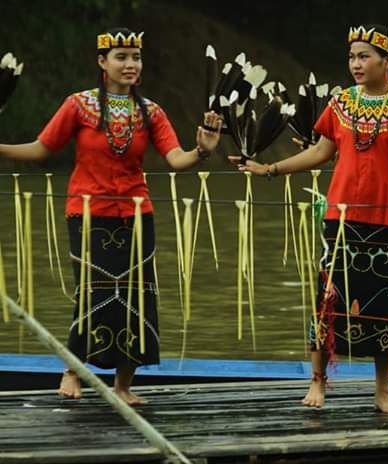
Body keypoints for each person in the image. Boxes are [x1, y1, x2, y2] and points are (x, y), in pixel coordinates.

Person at [0, 28, 223, 404]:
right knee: (92, 292)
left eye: (135, 58)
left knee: (137, 298)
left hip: (137, 215)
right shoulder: (77, 105)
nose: (131, 64)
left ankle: (123, 385)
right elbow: (42, 149)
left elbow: (175, 160)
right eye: (121, 57)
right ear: (102, 62)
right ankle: (73, 371)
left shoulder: (151, 112)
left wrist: (202, 151)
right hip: (87, 214)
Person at [233, 24, 388, 413]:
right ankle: (318, 382)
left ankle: (381, 392)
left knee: (386, 310)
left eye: (364, 56)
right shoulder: (340, 103)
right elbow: (322, 152)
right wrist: (271, 169)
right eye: (352, 57)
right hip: (340, 217)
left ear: (387, 61)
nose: (356, 64)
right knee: (329, 303)